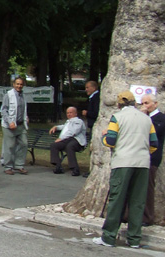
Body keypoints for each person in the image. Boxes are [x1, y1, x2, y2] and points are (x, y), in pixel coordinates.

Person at [93, 90, 158, 248]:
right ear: (134, 103)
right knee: (137, 201)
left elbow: (110, 140)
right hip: (142, 163)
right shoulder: (146, 119)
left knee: (117, 199)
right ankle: (134, 238)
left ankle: (108, 236)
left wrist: (103, 136)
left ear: (119, 104)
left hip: (123, 161)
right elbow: (154, 144)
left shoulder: (117, 117)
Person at [140, 93, 165, 226]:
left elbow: (153, 132)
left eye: (147, 103)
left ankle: (147, 217)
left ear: (155, 104)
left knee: (148, 188)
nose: (144, 106)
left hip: (152, 157)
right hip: (138, 155)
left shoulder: (160, 118)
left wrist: (143, 116)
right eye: (143, 103)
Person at [0, 77, 29, 175]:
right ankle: (8, 167)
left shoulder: (23, 96)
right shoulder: (8, 95)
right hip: (9, 126)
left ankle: (19, 165)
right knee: (10, 146)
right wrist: (9, 122)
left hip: (21, 125)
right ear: (13, 84)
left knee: (24, 143)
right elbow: (3, 110)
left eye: (21, 84)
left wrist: (26, 118)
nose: (19, 86)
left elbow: (23, 110)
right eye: (17, 84)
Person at [49, 107, 87, 176]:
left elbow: (73, 132)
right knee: (54, 145)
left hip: (77, 141)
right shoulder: (68, 122)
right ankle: (58, 166)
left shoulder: (78, 121)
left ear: (75, 113)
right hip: (67, 140)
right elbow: (64, 127)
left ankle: (75, 169)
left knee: (70, 147)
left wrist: (61, 138)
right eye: (67, 113)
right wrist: (56, 127)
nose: (69, 114)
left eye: (71, 112)